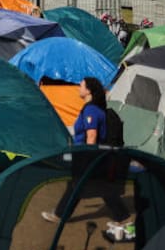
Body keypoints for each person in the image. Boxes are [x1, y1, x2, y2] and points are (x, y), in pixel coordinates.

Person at [42, 77, 130, 225]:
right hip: (90, 155)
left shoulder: (91, 109)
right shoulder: (94, 108)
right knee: (87, 186)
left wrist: (89, 159)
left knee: (82, 185)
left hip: (88, 156)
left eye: (81, 85)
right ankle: (124, 218)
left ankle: (60, 215)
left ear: (88, 91)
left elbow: (92, 135)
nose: (79, 88)